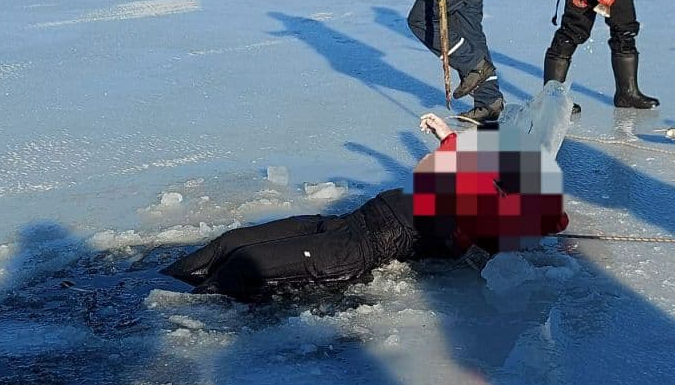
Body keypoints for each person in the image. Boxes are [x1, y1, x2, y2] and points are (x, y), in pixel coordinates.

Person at [162, 114, 567, 301]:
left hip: (371, 228)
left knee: (269, 249)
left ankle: (180, 286)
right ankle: (175, 290)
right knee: (245, 252)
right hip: (369, 228)